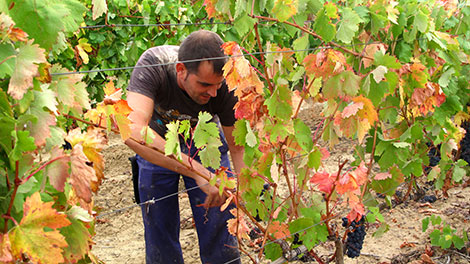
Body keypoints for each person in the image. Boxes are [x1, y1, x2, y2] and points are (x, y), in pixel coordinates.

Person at [125, 30, 244, 264]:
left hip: (205, 142)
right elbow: (132, 131)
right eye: (204, 84)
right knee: (157, 220)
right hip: (157, 143)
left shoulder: (226, 85)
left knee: (220, 218)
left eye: (217, 85)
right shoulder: (153, 65)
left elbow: (237, 147)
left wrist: (242, 194)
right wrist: (198, 172)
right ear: (181, 70)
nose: (212, 92)